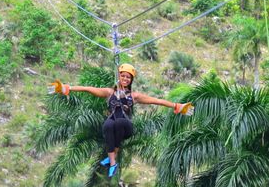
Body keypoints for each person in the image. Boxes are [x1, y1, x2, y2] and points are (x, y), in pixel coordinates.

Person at [49, 63, 194, 177]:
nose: (125, 79)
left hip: (127, 127)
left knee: (118, 122)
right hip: (113, 125)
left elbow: (156, 100)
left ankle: (112, 158)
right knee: (107, 125)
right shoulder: (109, 92)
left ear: (131, 80)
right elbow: (89, 88)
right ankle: (112, 161)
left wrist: (177, 106)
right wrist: (67, 88)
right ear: (119, 77)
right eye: (123, 76)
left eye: (128, 77)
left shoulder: (134, 96)